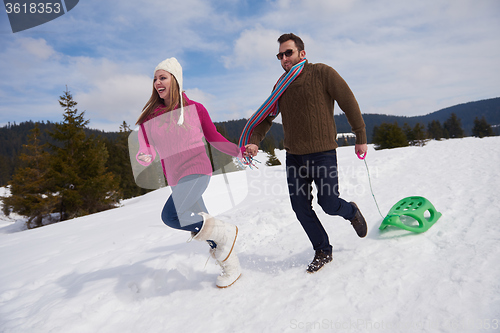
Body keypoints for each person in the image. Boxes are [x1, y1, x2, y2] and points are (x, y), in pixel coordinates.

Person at [242, 33, 368, 274]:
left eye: (288, 53)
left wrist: (360, 135)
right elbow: (267, 116)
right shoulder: (281, 84)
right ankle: (322, 250)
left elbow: (348, 101)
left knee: (329, 204)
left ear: (302, 53)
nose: (284, 58)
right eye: (280, 55)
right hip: (295, 158)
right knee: (300, 208)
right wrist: (255, 140)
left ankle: (351, 211)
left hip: (323, 154)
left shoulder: (322, 72)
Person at [135, 57, 246, 288]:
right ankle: (232, 268)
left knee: (171, 217)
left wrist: (239, 151)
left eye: (162, 77)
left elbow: (214, 137)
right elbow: (146, 147)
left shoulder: (196, 109)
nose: (157, 82)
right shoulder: (150, 118)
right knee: (206, 226)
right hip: (175, 179)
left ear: (175, 79)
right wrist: (145, 156)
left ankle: (227, 232)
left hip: (197, 171)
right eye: (155, 78)